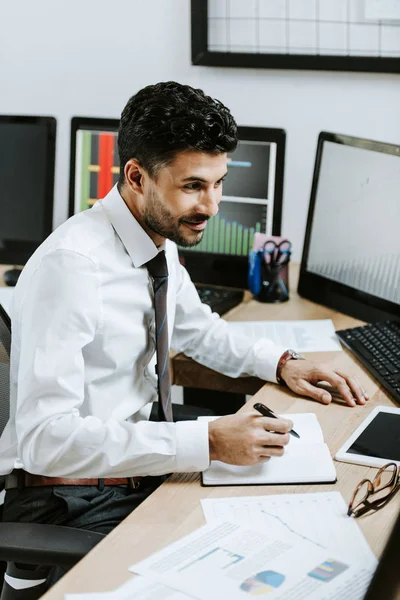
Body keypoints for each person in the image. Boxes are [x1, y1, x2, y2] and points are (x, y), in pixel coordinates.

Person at [0, 81, 367, 588]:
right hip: (66, 497)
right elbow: (45, 441)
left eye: (218, 183)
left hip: (128, 467)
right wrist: (209, 440)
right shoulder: (74, 267)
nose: (212, 205)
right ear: (136, 176)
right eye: (193, 185)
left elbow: (198, 331)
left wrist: (283, 362)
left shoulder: (156, 237)